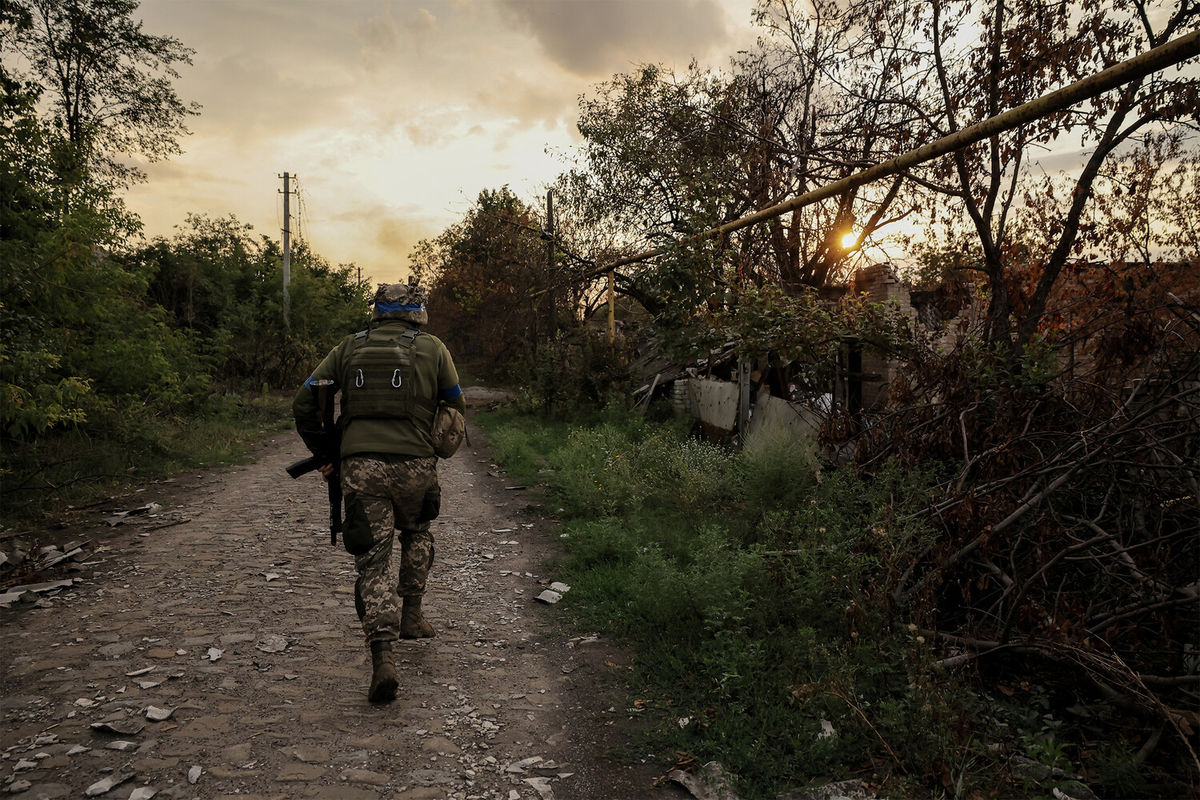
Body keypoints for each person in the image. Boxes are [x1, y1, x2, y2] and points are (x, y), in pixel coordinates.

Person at [292, 281, 466, 703]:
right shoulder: (434, 348)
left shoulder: (348, 348)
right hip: (415, 467)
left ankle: (383, 658)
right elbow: (455, 406)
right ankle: (412, 616)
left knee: (372, 561)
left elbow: (304, 401)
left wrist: (326, 452)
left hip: (361, 468)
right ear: (416, 312)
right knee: (418, 534)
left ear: (377, 312)